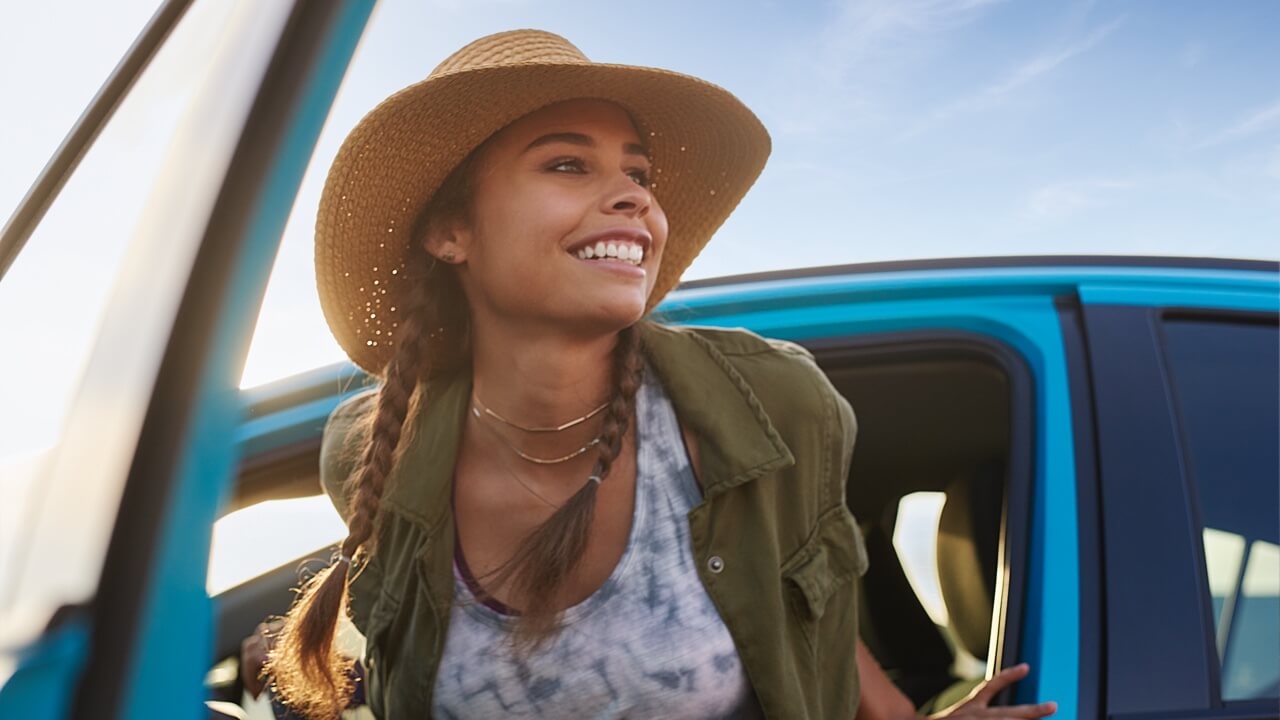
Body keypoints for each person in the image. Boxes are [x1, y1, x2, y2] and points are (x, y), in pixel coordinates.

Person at [265, 29, 1058, 720]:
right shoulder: (372, 451)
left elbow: (812, 639)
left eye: (639, 175)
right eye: (569, 164)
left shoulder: (776, 408)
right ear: (450, 231)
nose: (633, 200)